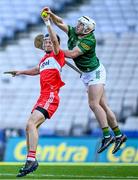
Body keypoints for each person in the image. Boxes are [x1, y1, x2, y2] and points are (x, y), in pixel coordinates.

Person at [42, 7, 127, 154]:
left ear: (87, 30)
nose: (78, 26)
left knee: (93, 104)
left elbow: (74, 53)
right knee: (104, 106)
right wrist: (51, 16)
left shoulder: (89, 40)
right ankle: (119, 135)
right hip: (86, 74)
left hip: (95, 73)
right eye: (79, 23)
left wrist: (57, 52)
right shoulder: (76, 32)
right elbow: (60, 23)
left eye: (81, 25)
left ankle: (107, 136)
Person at [4, 14, 66, 177]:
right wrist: (20, 72)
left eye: (49, 41)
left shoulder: (58, 55)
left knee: (31, 123)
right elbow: (37, 70)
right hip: (42, 97)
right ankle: (29, 160)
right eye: (44, 42)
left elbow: (54, 40)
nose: (46, 43)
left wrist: (47, 22)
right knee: (28, 127)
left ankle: (32, 160)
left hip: (51, 96)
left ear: (55, 44)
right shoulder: (45, 59)